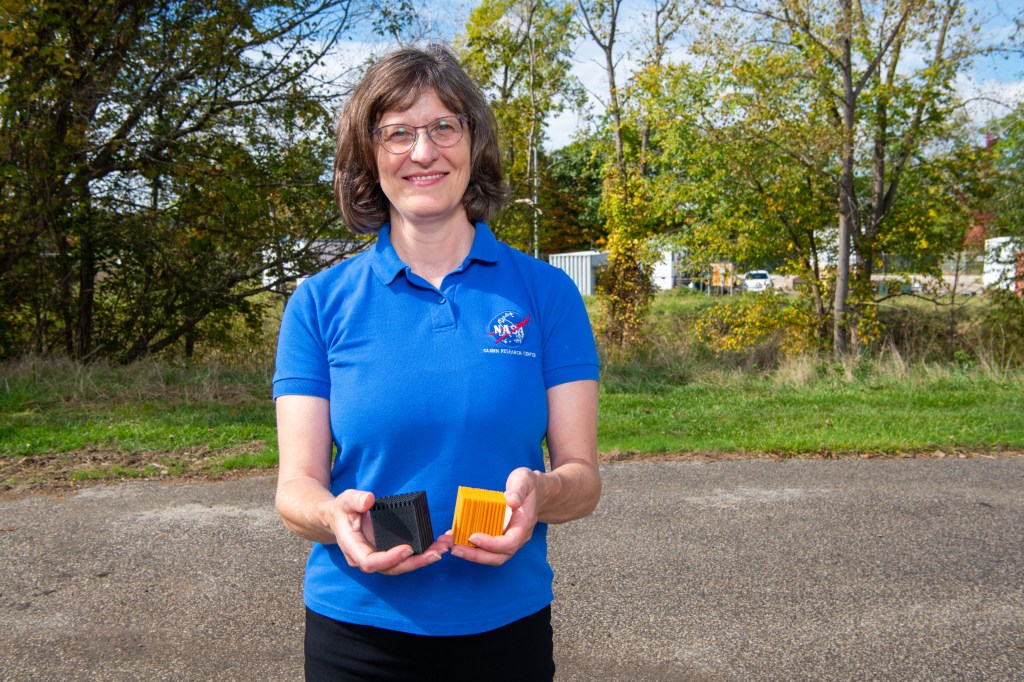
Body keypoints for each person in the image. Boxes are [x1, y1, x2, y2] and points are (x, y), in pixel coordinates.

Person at [272, 43, 600, 681]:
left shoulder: (546, 293)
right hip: (357, 635)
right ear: (369, 156)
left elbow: (582, 478)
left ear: (473, 143)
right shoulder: (318, 303)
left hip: (507, 631)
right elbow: (295, 489)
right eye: (397, 133)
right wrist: (333, 516)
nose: (423, 153)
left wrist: (545, 493)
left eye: (443, 126)